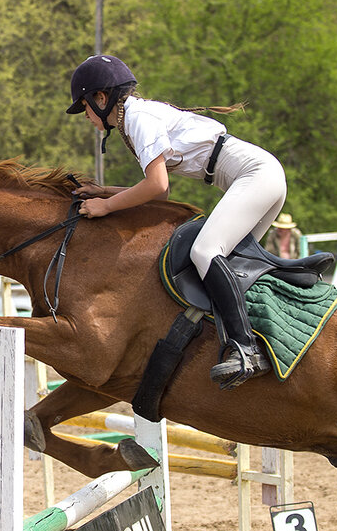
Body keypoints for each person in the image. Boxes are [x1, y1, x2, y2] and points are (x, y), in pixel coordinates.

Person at [66, 54, 286, 389]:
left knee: (204, 252)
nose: (86, 117)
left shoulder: (137, 118)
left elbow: (157, 187)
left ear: (101, 97)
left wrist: (106, 206)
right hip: (258, 174)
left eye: (84, 106)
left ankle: (245, 349)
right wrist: (104, 191)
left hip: (255, 174)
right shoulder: (134, 117)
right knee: (232, 264)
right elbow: (157, 195)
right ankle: (263, 334)